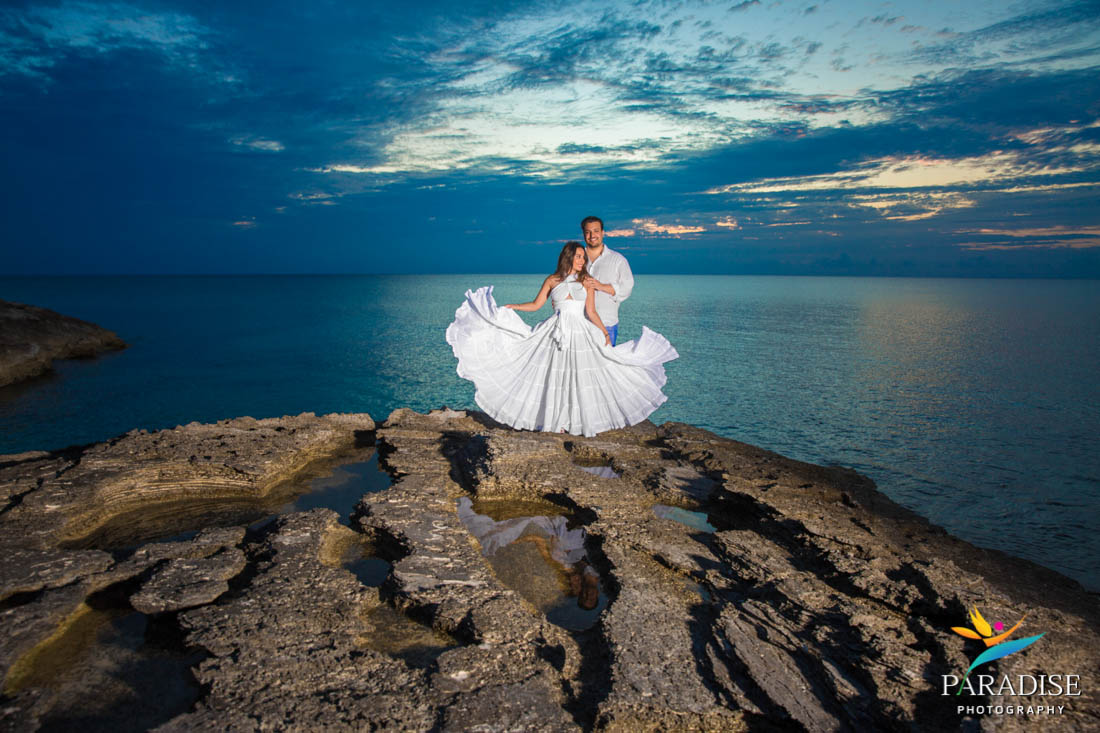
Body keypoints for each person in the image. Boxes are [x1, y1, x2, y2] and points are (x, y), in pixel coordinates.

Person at [445, 241, 677, 437]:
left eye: (583, 257)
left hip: (580, 332)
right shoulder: (552, 280)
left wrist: (605, 332)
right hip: (555, 331)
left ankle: (576, 421)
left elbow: (592, 311)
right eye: (578, 257)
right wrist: (514, 306)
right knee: (554, 376)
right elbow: (537, 305)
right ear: (568, 257)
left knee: (578, 377)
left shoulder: (587, 281)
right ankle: (556, 422)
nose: (581, 261)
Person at [579, 216, 633, 346]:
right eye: (588, 232)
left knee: (606, 365)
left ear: (603, 233)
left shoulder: (618, 260)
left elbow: (627, 288)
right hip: (578, 324)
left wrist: (601, 286)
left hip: (606, 324)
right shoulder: (575, 259)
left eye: (596, 231)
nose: (592, 235)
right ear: (584, 234)